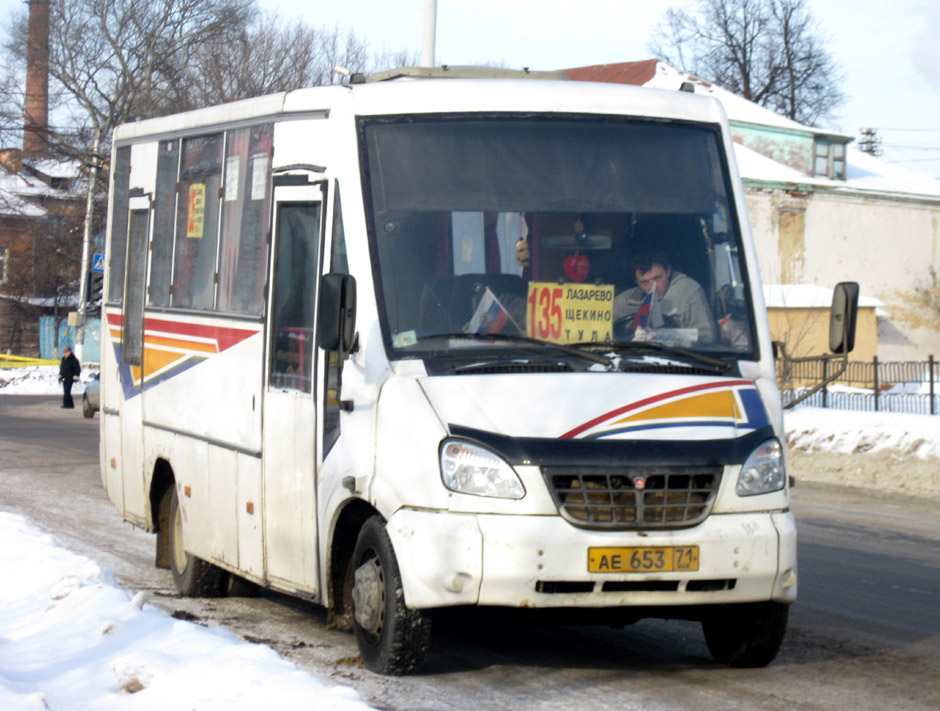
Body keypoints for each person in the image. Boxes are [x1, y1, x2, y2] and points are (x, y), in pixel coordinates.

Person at [613, 250, 718, 342]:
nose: (653, 287)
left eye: (657, 279)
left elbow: (708, 337)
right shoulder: (622, 302)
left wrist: (669, 336)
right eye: (645, 282)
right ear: (637, 282)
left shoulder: (689, 291)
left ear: (668, 271)